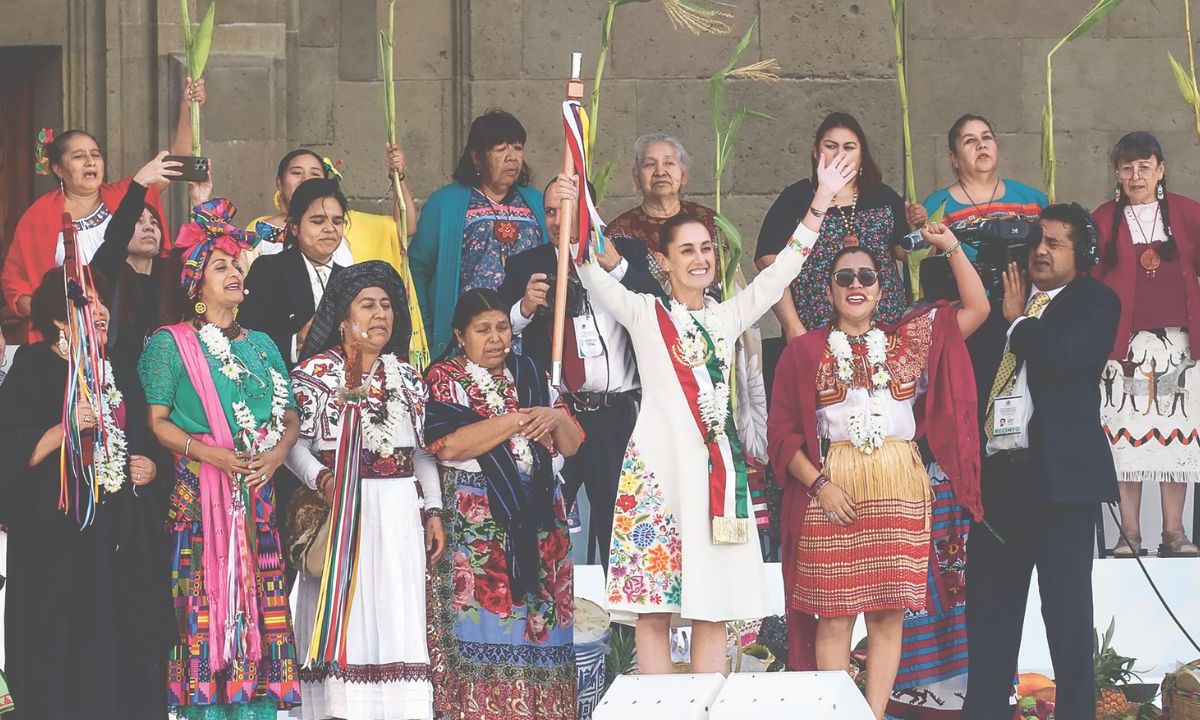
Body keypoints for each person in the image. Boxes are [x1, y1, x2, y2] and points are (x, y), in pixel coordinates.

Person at [574, 151, 863, 674]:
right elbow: (590, 271)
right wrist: (577, 209)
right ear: (662, 261)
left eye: (706, 247)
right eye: (685, 250)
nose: (699, 258)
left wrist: (819, 203)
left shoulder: (727, 317)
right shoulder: (644, 314)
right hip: (658, 480)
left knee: (712, 612)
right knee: (653, 610)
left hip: (714, 484)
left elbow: (779, 278)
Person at [766, 223, 988, 719]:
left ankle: (872, 713)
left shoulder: (908, 341)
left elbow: (977, 309)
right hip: (835, 488)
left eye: (866, 276)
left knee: (888, 615)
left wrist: (949, 245)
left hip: (901, 483)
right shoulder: (805, 351)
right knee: (836, 615)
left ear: (882, 289)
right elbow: (781, 436)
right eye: (844, 278)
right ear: (828, 291)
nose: (856, 285)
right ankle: (834, 713)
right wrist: (819, 486)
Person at [137, 197, 303, 719]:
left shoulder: (263, 345)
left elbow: (291, 414)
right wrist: (211, 453)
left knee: (261, 607)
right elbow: (155, 423)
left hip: (256, 500)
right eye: (219, 265)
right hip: (199, 502)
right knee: (204, 612)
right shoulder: (170, 344)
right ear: (196, 284)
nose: (233, 272)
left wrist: (276, 455)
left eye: (236, 263)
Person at [963, 204, 1120, 720]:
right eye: (1037, 240)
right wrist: (1002, 314)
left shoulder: (1096, 301)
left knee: (1068, 620)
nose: (1042, 250)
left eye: (1055, 242)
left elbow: (1068, 359)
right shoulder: (1003, 299)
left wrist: (1018, 324)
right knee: (989, 618)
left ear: (1083, 254)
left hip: (1060, 486)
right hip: (1000, 484)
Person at [0, 270, 173, 720]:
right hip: (56, 542)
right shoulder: (35, 364)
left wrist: (151, 466)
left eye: (102, 302)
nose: (101, 310)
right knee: (64, 647)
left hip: (118, 538)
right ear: (60, 319)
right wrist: (64, 428)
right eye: (87, 303)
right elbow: (9, 447)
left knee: (121, 640)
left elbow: (149, 441)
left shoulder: (117, 366)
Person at [287, 261, 446, 719]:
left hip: (397, 512)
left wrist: (432, 510)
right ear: (343, 317)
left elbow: (419, 453)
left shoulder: (408, 377)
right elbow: (293, 446)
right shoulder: (315, 374)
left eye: (387, 305)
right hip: (341, 511)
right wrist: (323, 480)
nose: (380, 313)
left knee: (397, 611)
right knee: (346, 618)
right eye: (368, 304)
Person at [424, 288, 583, 720]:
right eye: (483, 330)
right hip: (479, 519)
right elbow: (448, 445)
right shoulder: (445, 378)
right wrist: (515, 420)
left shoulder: (531, 373)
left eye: (502, 328)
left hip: (541, 516)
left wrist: (555, 418)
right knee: (489, 623)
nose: (496, 338)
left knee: (542, 626)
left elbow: (569, 445)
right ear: (460, 335)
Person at [498, 174, 659, 564]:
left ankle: (624, 622)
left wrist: (616, 265)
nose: (557, 220)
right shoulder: (527, 264)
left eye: (567, 210)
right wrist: (523, 308)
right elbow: (493, 330)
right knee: (542, 523)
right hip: (555, 412)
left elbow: (660, 308)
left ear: (592, 214)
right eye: (551, 211)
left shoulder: (629, 254)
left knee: (618, 525)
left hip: (614, 412)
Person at [2, 79, 204, 340]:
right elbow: (16, 289)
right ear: (58, 169)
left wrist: (187, 107)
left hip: (129, 324)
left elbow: (178, 161)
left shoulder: (124, 194)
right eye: (78, 156)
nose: (90, 161)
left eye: (95, 154)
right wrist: (56, 316)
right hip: (69, 336)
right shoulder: (38, 216)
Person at [1093, 132, 1200, 558]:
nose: (1136, 175)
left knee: (1177, 437)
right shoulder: (1102, 219)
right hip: (1125, 352)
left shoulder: (1188, 213)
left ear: (1161, 169)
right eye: (1127, 167)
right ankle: (1130, 534)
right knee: (1126, 439)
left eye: (1144, 166)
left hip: (1179, 348)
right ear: (1117, 173)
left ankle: (1174, 532)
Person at [755, 112, 925, 339]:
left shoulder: (882, 196)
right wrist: (793, 328)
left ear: (862, 154)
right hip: (815, 328)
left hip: (885, 326)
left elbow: (906, 254)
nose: (839, 154)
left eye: (849, 147)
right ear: (816, 152)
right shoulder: (797, 198)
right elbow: (768, 261)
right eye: (831, 146)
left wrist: (922, 230)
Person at [410, 109, 551, 358]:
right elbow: (417, 271)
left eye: (517, 148)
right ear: (477, 158)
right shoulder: (445, 204)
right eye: (500, 149)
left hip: (529, 337)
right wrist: (428, 332)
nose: (512, 158)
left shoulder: (537, 202)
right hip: (467, 339)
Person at [88, 153, 212, 361]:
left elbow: (204, 257)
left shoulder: (172, 274)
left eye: (155, 223)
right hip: (121, 381)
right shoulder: (106, 274)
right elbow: (115, 240)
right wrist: (140, 183)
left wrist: (200, 204)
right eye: (139, 221)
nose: (148, 226)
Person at [914, 114, 1048, 297]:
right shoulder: (936, 207)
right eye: (969, 141)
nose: (981, 145)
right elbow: (923, 277)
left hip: (1030, 305)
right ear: (953, 158)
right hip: (966, 312)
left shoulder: (1033, 200)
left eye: (987, 137)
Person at [244, 145, 417, 269]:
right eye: (296, 173)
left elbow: (405, 227)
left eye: (315, 173)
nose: (306, 179)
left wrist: (398, 177)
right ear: (279, 183)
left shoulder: (348, 222)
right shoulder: (260, 228)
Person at [240, 178, 348, 368]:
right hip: (285, 387)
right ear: (294, 227)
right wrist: (296, 341)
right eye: (317, 221)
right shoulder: (269, 269)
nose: (330, 229)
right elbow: (245, 340)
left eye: (337, 221)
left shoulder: (350, 278)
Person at [605, 133, 718, 289]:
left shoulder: (709, 221)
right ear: (636, 178)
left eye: (669, 163)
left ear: (683, 175)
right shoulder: (619, 231)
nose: (660, 172)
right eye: (650, 164)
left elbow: (732, 283)